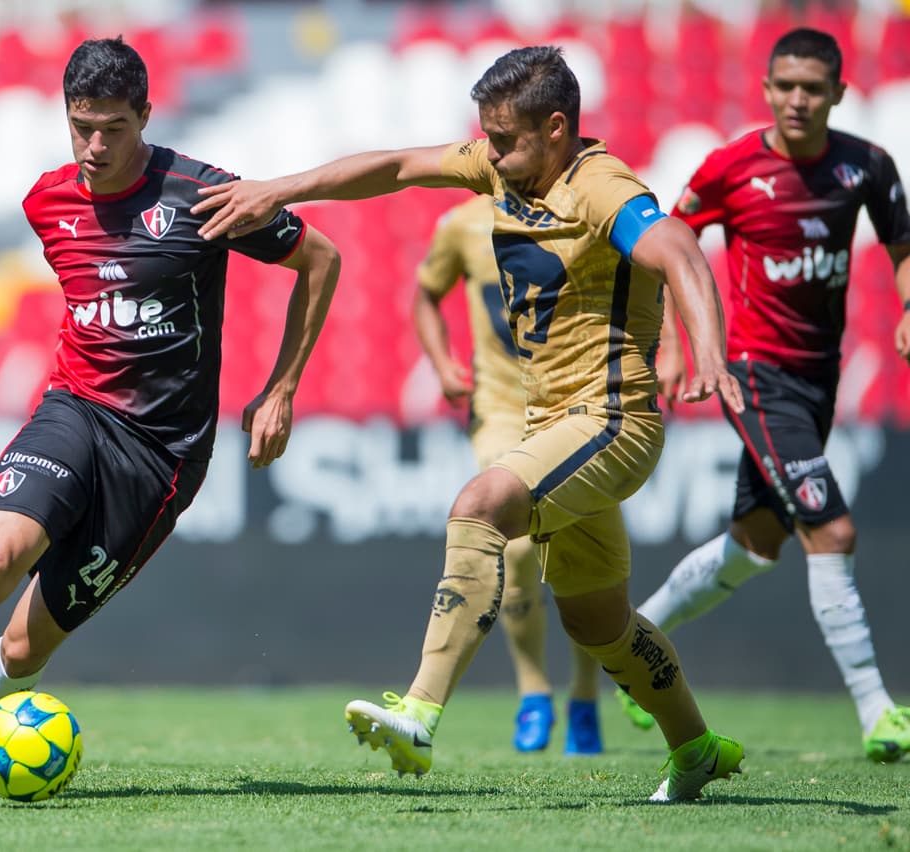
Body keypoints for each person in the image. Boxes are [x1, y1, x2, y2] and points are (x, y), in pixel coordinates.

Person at [194, 45, 747, 803]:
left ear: (556, 128)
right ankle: (697, 746)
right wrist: (279, 188)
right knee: (598, 623)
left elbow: (678, 245)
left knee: (480, 502)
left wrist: (708, 350)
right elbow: (392, 168)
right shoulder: (502, 166)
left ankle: (419, 712)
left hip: (612, 418)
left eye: (506, 138)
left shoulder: (601, 188)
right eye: (485, 136)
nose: (490, 152)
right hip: (554, 421)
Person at [0, 36, 342, 803]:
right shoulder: (48, 202)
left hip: (162, 456)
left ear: (145, 115)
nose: (95, 145)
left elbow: (322, 259)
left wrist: (282, 388)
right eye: (81, 126)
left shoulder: (204, 195)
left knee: (26, 643)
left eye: (113, 126)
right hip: (74, 410)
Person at [620, 27, 910, 762]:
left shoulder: (867, 167)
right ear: (766, 90)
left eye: (813, 87)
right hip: (753, 374)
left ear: (839, 94)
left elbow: (903, 249)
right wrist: (675, 346)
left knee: (755, 546)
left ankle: (631, 648)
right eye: (786, 86)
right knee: (832, 534)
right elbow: (666, 251)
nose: (798, 100)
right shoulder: (730, 168)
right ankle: (880, 712)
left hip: (818, 378)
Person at [411, 194, 604, 755]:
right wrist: (443, 362)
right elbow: (426, 293)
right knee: (515, 545)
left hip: (577, 409)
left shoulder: (587, 210)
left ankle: (586, 695)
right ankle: (534, 691)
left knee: (582, 554)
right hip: (499, 412)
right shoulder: (463, 224)